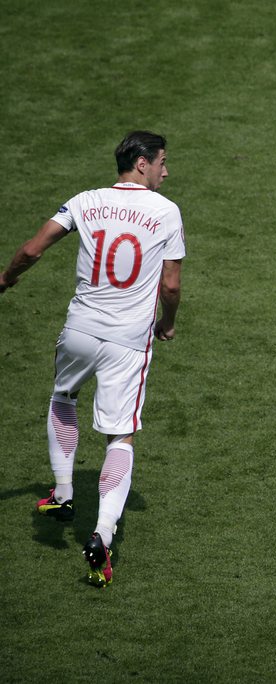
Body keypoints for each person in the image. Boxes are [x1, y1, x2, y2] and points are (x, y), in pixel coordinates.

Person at [0, 131, 185, 587]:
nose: (167, 170)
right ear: (141, 163)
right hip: (127, 341)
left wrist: (5, 280)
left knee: (63, 397)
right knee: (120, 436)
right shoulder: (166, 211)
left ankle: (63, 492)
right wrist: (167, 321)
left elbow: (31, 249)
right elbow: (171, 286)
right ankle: (102, 535)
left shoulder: (85, 201)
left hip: (80, 330)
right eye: (162, 161)